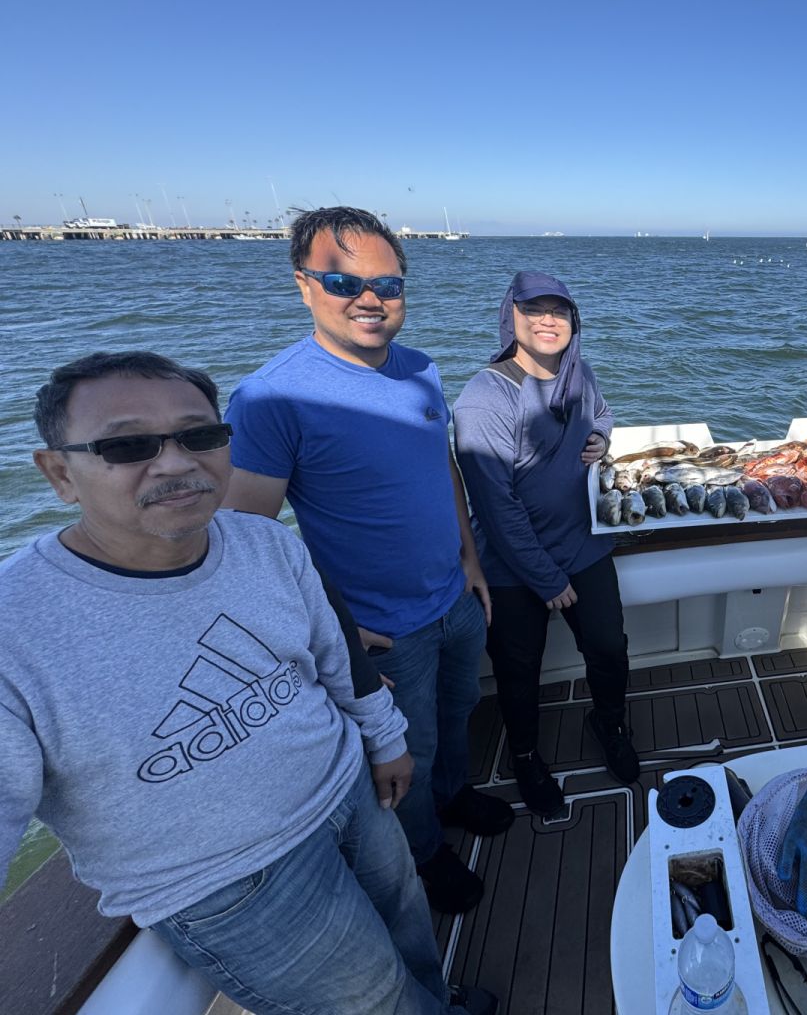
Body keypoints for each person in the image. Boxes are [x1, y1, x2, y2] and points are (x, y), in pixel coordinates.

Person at [1, 352, 494, 1014]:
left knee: (411, 932)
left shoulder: (265, 544)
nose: (174, 463)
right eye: (128, 445)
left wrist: (385, 741)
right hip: (231, 880)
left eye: (199, 435)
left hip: (350, 791)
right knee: (373, 1000)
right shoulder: (16, 628)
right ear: (60, 472)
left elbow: (333, 652)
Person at [222, 207, 510, 915]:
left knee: (459, 710)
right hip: (379, 627)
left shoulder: (420, 369)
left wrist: (471, 559)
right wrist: (332, 633)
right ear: (304, 285)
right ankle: (425, 854)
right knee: (406, 747)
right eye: (344, 283)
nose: (370, 299)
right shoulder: (271, 397)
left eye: (388, 284)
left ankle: (454, 796)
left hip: (453, 596)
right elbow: (245, 542)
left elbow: (443, 469)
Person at [453, 271, 638, 818]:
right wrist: (545, 577)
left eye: (560, 311)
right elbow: (496, 506)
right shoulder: (485, 398)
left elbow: (601, 413)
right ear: (509, 316)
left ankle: (608, 722)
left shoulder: (581, 374)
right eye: (534, 309)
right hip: (512, 562)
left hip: (582, 545)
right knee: (518, 670)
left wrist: (600, 437)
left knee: (608, 646)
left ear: (574, 322)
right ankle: (526, 756)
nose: (548, 320)